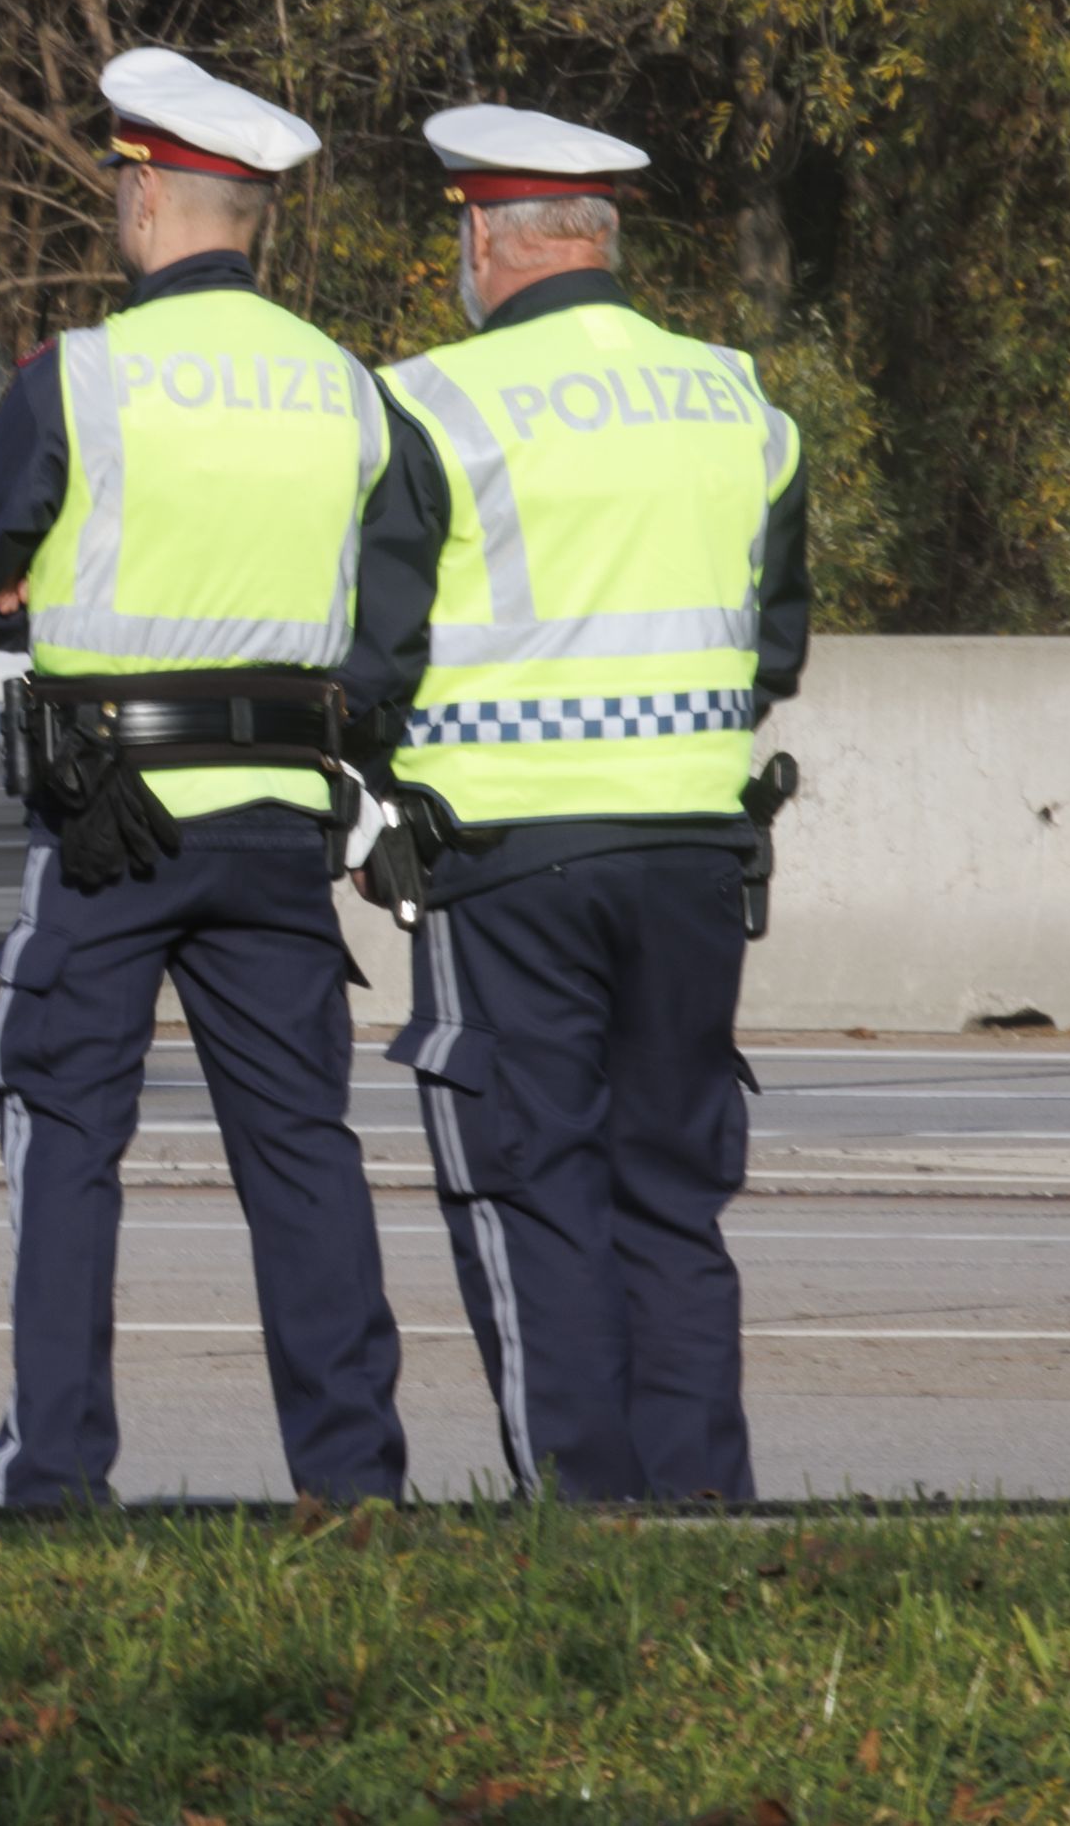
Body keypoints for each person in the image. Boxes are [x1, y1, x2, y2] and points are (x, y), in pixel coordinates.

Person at [0, 47, 438, 1509]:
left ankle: (55, 1475)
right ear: (252, 212)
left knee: (69, 1136)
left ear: (147, 193)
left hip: (108, 823)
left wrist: (32, 597)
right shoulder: (351, 394)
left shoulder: (79, 377)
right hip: (280, 822)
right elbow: (395, 631)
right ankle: (354, 1479)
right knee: (302, 1153)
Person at [373, 106, 811, 1502]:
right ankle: (699, 1506)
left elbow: (370, 653)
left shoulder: (431, 402)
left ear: (487, 241)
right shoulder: (742, 399)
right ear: (598, 240)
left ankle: (588, 1510)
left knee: (530, 1183)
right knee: (673, 1197)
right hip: (695, 852)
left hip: (506, 860)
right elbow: (776, 648)